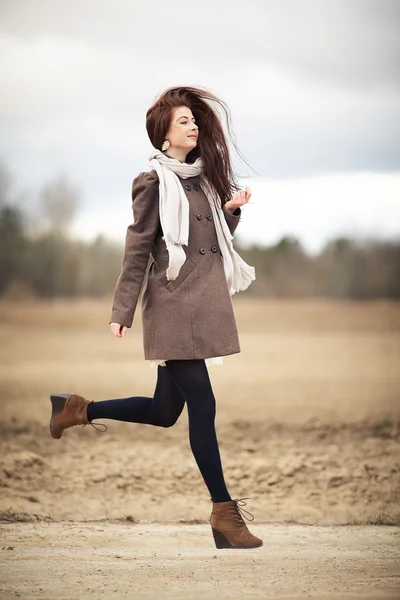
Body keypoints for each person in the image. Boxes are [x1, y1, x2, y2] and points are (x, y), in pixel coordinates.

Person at [49, 86, 262, 550]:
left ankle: (76, 410)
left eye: (194, 120)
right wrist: (121, 309)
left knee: (164, 412)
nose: (194, 126)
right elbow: (139, 248)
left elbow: (213, 239)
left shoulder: (203, 181)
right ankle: (224, 513)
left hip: (202, 304)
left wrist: (230, 212)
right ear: (164, 132)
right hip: (172, 306)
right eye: (184, 120)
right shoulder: (152, 181)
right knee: (203, 406)